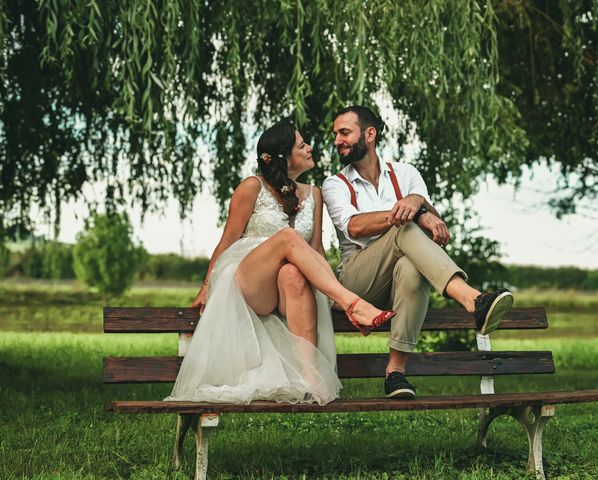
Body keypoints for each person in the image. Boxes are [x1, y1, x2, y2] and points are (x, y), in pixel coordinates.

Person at [165, 121, 395, 406]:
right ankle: (354, 304)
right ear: (285, 157)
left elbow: (316, 251)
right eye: (302, 145)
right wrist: (206, 286)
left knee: (293, 274)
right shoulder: (252, 186)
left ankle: (310, 377)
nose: (310, 147)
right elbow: (227, 241)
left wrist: (326, 293)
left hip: (286, 289)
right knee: (287, 237)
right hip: (250, 280)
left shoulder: (314, 194)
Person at [322, 106, 514, 399]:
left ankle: (395, 374)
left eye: (344, 132)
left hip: (398, 283)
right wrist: (411, 211)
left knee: (412, 268)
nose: (337, 140)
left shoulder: (405, 173)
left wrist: (417, 201)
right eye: (336, 134)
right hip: (357, 283)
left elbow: (435, 223)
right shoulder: (335, 183)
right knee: (403, 228)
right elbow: (355, 226)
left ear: (369, 134)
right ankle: (473, 300)